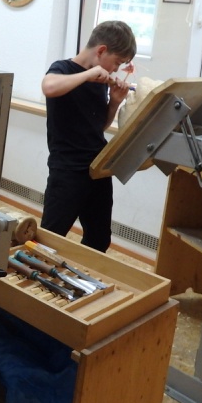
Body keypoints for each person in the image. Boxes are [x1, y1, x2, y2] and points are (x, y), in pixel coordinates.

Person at [40, 20, 136, 252]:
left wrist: (114, 102)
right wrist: (87, 75)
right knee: (50, 238)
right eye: (117, 62)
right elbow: (49, 87)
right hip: (68, 169)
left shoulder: (101, 80)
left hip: (97, 167)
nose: (115, 70)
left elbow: (98, 127)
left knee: (99, 240)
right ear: (101, 50)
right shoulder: (62, 68)